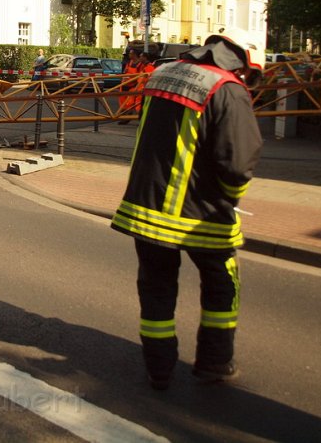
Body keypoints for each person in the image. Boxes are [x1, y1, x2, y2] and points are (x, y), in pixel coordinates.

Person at [110, 27, 265, 391]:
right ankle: (214, 363)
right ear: (242, 61)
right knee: (221, 287)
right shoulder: (228, 88)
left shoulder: (162, 74)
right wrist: (231, 198)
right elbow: (238, 163)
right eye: (249, 74)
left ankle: (159, 370)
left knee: (157, 289)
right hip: (201, 215)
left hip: (145, 210)